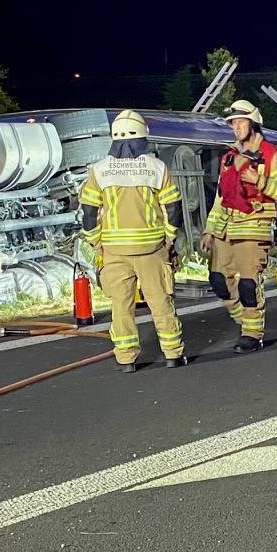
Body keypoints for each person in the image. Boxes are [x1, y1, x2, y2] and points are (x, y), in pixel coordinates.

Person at [80, 110, 187, 371]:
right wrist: (170, 239)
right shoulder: (157, 168)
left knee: (121, 307)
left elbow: (89, 212)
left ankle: (126, 359)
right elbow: (173, 208)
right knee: (160, 303)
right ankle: (172, 354)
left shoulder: (99, 170)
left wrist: (96, 242)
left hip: (114, 251)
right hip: (151, 250)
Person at [201, 99, 277, 353]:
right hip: (227, 226)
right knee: (218, 280)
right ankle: (245, 320)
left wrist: (258, 180)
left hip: (254, 226)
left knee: (249, 284)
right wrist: (210, 230)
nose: (236, 127)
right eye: (233, 123)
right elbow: (221, 196)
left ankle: (252, 334)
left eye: (240, 122)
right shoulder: (229, 156)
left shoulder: (271, 154)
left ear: (253, 123)